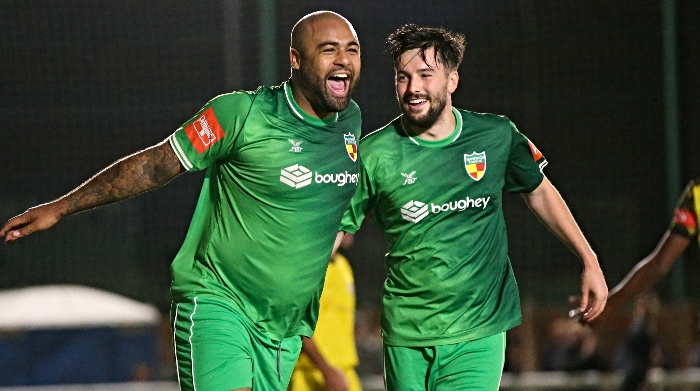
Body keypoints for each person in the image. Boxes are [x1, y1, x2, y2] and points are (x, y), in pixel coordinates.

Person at [1, 10, 361, 391]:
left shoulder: (350, 123)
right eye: (329, 49)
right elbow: (156, 165)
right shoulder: (241, 114)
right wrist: (60, 208)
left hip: (285, 328)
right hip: (220, 304)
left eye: (352, 50)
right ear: (296, 59)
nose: (343, 60)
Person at [335, 24, 608, 390]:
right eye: (403, 77)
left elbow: (540, 191)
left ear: (452, 81)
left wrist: (589, 260)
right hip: (406, 334)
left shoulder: (495, 136)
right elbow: (336, 230)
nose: (413, 88)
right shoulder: (374, 154)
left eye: (425, 75)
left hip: (478, 332)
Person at [578, 179, 700, 323]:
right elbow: (660, 263)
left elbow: (660, 264)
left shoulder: (696, 192)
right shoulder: (695, 193)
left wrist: (608, 306)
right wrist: (607, 305)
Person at [289, 233, 362, 391]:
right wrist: (327, 372)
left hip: (345, 373)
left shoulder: (344, 265)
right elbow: (298, 323)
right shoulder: (308, 269)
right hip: (311, 374)